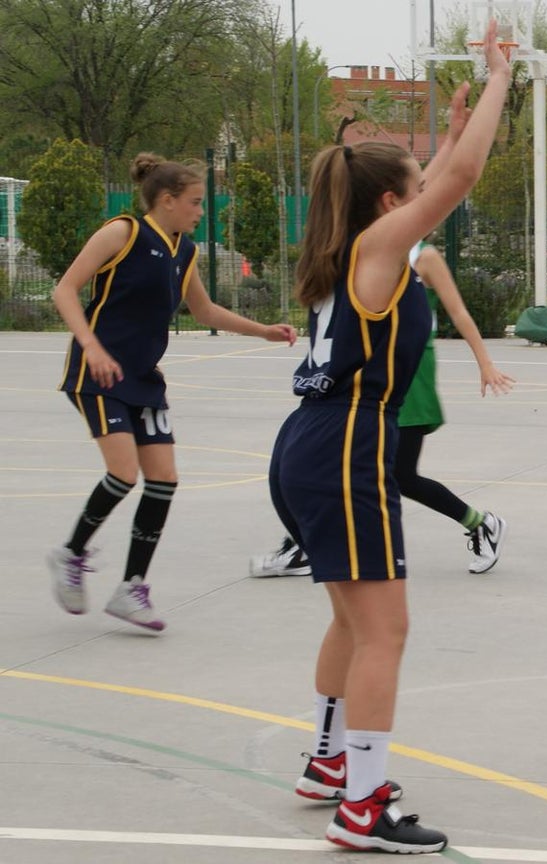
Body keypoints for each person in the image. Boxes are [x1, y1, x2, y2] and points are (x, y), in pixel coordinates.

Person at [268, 23, 509, 853]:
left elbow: (445, 173)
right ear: (389, 204)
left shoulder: (353, 248)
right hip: (342, 451)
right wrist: (503, 73)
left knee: (350, 619)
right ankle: (362, 809)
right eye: (415, 186)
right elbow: (466, 177)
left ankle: (331, 765)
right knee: (385, 631)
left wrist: (439, 141)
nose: (429, 190)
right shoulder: (380, 247)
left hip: (308, 443)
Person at [48, 152, 297, 632]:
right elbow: (64, 290)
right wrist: (91, 345)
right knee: (123, 472)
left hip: (143, 377)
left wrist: (262, 330)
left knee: (163, 479)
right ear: (166, 200)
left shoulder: (184, 250)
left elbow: (203, 311)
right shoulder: (122, 233)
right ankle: (70, 553)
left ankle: (130, 588)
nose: (201, 212)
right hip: (98, 373)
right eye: (196, 203)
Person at [250, 241, 514, 580]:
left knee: (399, 475)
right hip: (366, 370)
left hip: (409, 375)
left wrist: (485, 364)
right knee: (335, 463)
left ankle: (482, 524)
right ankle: (302, 543)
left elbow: (458, 312)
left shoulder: (425, 257)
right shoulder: (363, 248)